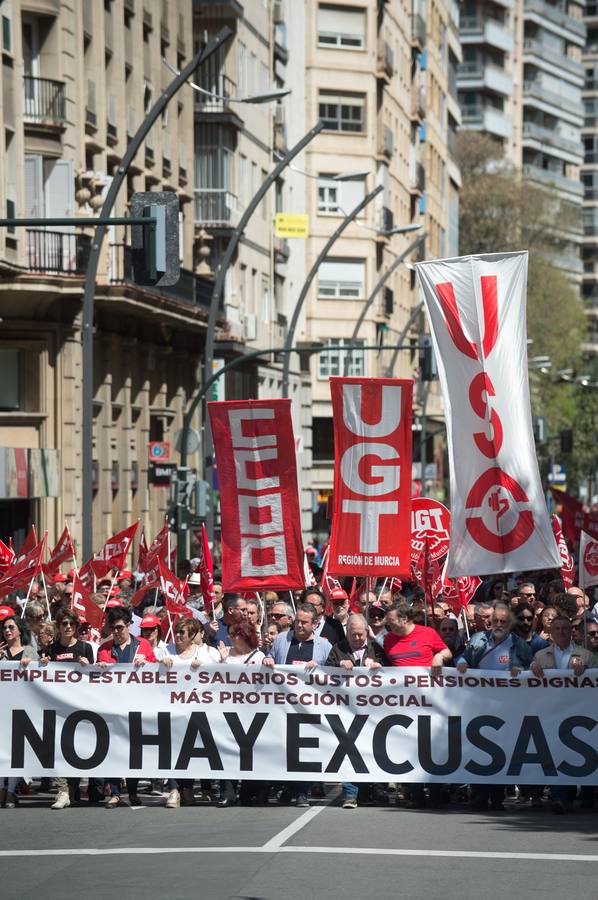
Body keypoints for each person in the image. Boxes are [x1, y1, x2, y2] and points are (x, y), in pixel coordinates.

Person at [456, 603, 531, 812]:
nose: (497, 624)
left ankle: (497, 797)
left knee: (501, 751)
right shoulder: (478, 639)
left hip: (506, 707)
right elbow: (464, 657)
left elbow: (533, 668)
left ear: (510, 623)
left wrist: (521, 669)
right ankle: (479, 795)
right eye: (495, 620)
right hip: (478, 705)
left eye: (502, 621)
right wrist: (462, 662)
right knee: (477, 750)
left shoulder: (519, 645)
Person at [383, 602, 452, 808]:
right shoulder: (388, 639)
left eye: (391, 620)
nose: (387, 623)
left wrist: (439, 655)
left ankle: (436, 793)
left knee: (432, 747)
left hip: (431, 701)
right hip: (404, 705)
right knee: (410, 748)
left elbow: (448, 652)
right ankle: (416, 794)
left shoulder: (427, 633)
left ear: (404, 619)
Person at [264, 603, 332, 808]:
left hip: (310, 708)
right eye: (297, 621)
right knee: (286, 749)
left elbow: (332, 672)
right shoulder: (281, 640)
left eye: (305, 622)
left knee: (305, 751)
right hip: (283, 706)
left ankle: (301, 791)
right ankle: (288, 788)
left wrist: (320, 668)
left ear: (315, 623)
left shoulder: (324, 646)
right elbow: (271, 657)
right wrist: (267, 659)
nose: (300, 626)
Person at [531, 615, 595, 814]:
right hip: (550, 712)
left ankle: (576, 797)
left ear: (571, 631)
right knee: (555, 754)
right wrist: (531, 668)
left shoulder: (585, 655)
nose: (561, 632)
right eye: (557, 628)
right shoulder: (540, 656)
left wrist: (586, 669)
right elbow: (528, 683)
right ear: (551, 632)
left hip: (578, 713)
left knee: (575, 755)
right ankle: (559, 797)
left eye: (565, 628)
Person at [326, 615, 390, 809]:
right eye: (353, 634)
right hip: (347, 711)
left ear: (367, 632)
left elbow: (393, 673)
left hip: (374, 711)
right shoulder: (338, 649)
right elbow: (325, 672)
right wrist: (338, 666)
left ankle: (374, 790)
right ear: (347, 633)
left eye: (361, 634)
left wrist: (380, 668)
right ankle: (350, 794)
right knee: (350, 753)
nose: (357, 638)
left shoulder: (376, 648)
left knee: (375, 750)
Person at [97, 606, 155, 808]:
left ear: (129, 625)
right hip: (113, 707)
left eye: (120, 627)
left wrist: (147, 662)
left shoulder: (143, 645)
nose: (116, 632)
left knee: (133, 751)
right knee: (113, 750)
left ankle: (132, 791)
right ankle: (114, 792)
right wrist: (99, 667)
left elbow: (157, 672)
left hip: (136, 706)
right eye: (113, 628)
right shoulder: (104, 649)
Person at [158, 617, 219, 809]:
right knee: (172, 749)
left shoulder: (203, 653)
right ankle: (174, 789)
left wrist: (204, 667)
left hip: (195, 710)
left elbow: (217, 676)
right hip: (171, 709)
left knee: (188, 751)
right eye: (176, 632)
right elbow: (148, 669)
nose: (177, 635)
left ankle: (187, 788)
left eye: (182, 632)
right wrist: (160, 662)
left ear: (192, 635)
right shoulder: (166, 650)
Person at [217, 619, 267, 807]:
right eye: (229, 634)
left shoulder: (259, 655)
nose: (230, 638)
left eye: (233, 634)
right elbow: (215, 680)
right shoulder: (225, 655)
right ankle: (227, 792)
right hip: (228, 711)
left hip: (251, 712)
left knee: (250, 753)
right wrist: (222, 662)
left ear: (244, 635)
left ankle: (249, 792)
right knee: (227, 752)